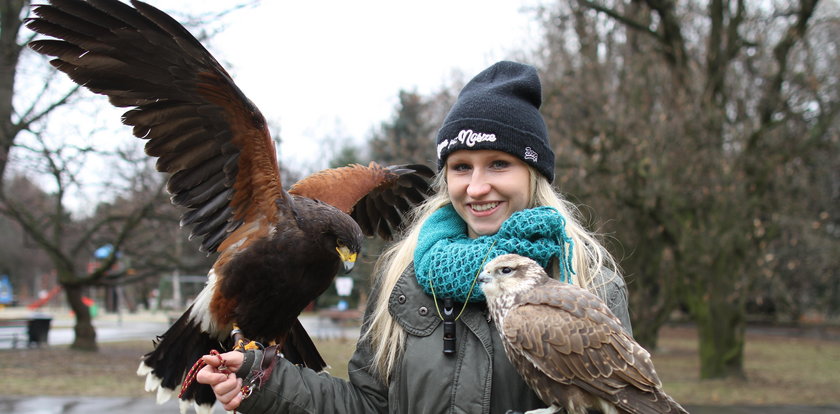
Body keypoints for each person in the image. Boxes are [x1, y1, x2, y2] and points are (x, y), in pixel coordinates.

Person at [196, 60, 633, 413]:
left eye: (499, 163)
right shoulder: (403, 280)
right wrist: (263, 378)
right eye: (461, 167)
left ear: (534, 174)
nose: (477, 187)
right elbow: (367, 407)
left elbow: (626, 404)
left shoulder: (586, 279)